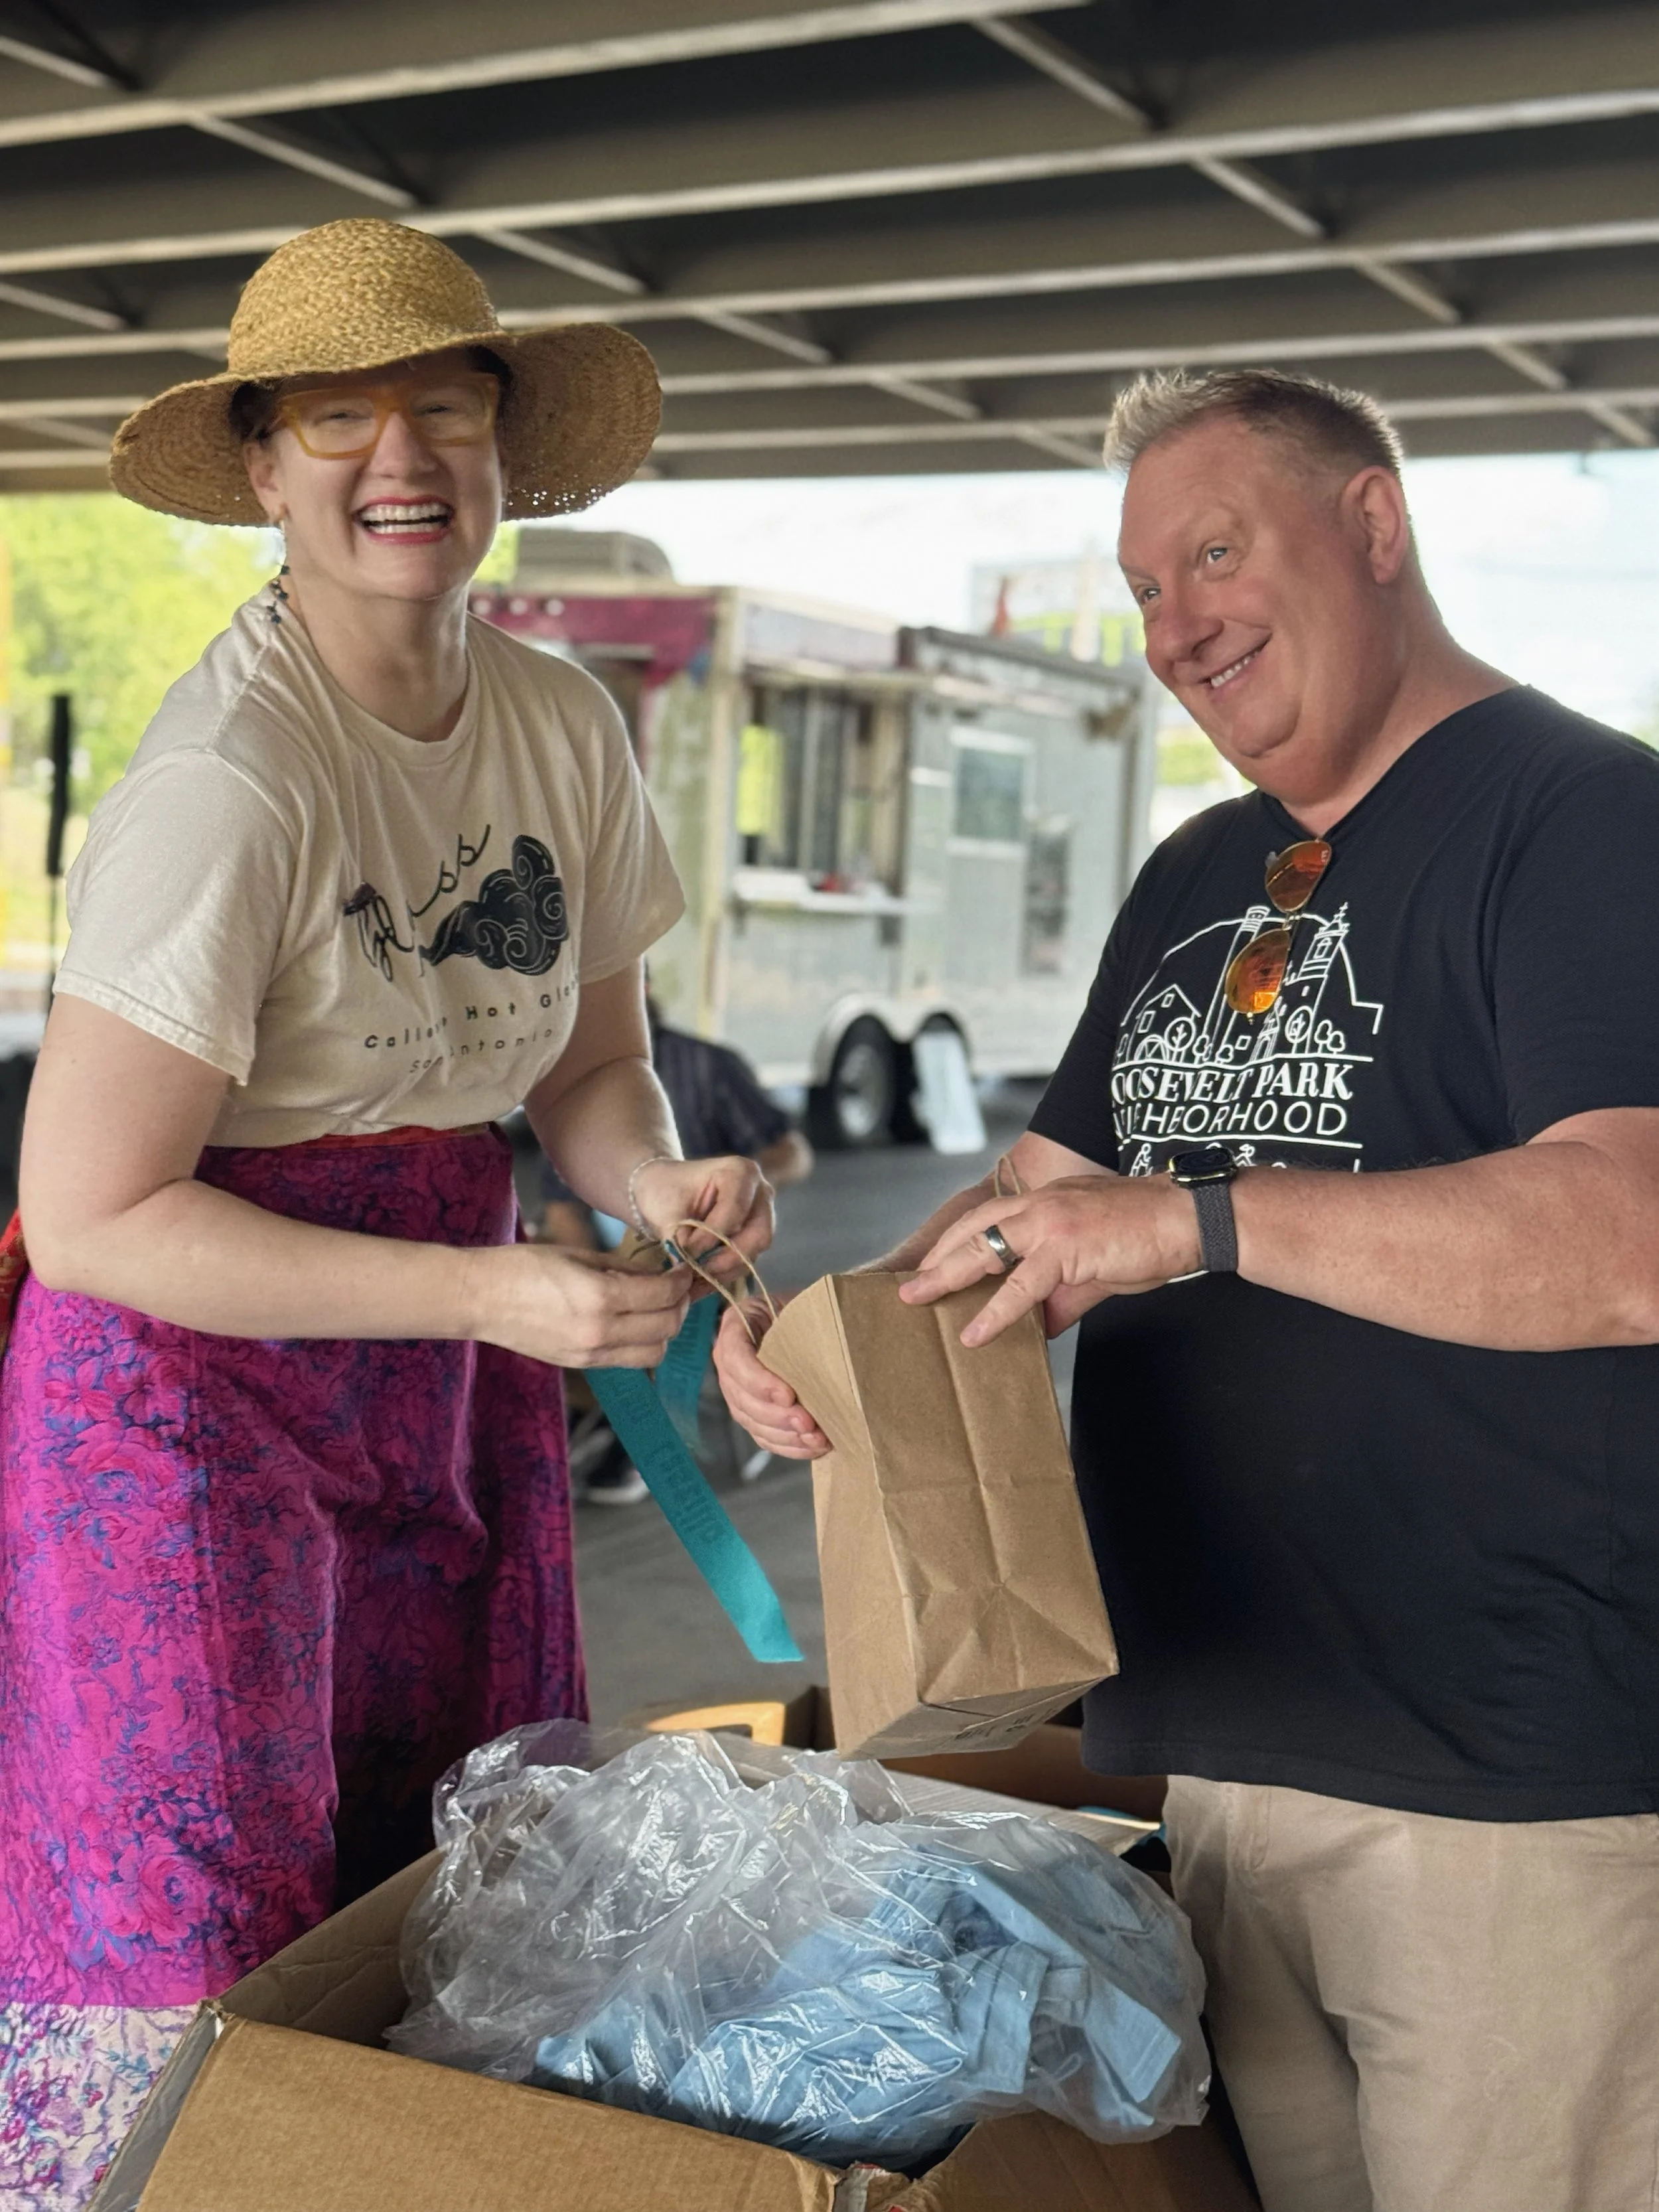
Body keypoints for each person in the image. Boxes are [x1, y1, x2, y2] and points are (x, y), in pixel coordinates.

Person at [715, 368, 1659, 2212]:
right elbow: (1037, 1205)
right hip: (1214, 1750)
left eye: (1216, 551)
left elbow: (1624, 1232)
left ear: (1372, 523)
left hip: (1503, 1777)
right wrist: (831, 1331)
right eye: (1144, 588)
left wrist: (1199, 1218)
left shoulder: (1585, 819)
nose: (1176, 626)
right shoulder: (1201, 869)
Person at [0, 216, 772, 2207]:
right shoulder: (231, 778)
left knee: (452, 1878)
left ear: (507, 453)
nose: (396, 456)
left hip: (442, 1357)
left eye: (441, 404)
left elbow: (588, 1071)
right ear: (262, 472)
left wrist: (651, 1176)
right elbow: (86, 1215)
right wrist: (480, 1287)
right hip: (184, 1399)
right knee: (207, 1942)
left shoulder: (559, 729)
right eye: (333, 418)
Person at [541, 995, 812, 1501]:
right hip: (619, 1256)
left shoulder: (707, 1066)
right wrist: (592, 1271)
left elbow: (791, 1151)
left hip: (701, 1260)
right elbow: (561, 1205)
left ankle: (640, 1432)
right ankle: (585, 1411)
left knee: (668, 1301)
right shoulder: (556, 1075)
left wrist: (747, 1195)